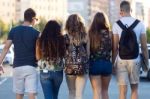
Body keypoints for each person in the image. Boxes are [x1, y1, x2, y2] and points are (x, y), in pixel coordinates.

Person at [112, 1, 149, 99]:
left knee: (122, 92)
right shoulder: (140, 24)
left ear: (121, 11)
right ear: (131, 10)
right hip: (135, 60)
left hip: (121, 60)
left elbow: (115, 47)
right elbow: (144, 47)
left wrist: (112, 63)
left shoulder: (116, 25)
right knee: (135, 90)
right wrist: (146, 61)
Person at [0, 8, 39, 99]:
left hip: (17, 67)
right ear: (33, 19)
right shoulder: (36, 33)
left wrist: (0, 62)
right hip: (31, 67)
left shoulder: (13, 31)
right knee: (32, 94)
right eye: (36, 20)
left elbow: (6, 48)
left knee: (19, 94)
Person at [36, 20, 66, 99]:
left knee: (48, 97)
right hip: (58, 72)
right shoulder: (62, 39)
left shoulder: (40, 40)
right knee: (55, 96)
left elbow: (37, 57)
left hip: (45, 72)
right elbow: (64, 54)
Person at [65, 14, 89, 99]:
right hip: (82, 67)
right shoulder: (85, 36)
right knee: (79, 94)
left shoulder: (66, 37)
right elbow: (88, 53)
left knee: (71, 92)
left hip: (69, 67)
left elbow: (64, 53)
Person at [88, 12, 112, 99]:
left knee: (96, 91)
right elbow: (114, 49)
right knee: (105, 91)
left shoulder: (90, 33)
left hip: (94, 64)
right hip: (107, 63)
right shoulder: (110, 34)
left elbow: (87, 51)